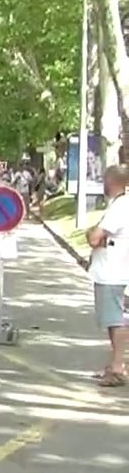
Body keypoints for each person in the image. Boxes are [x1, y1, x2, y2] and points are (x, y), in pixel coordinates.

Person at [86, 164, 129, 387]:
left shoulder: (120, 207)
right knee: (113, 319)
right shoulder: (119, 205)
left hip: (112, 271)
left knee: (116, 320)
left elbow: (94, 237)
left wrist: (95, 235)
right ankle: (115, 364)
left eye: (104, 178)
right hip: (113, 269)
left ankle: (118, 367)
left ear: (112, 181)